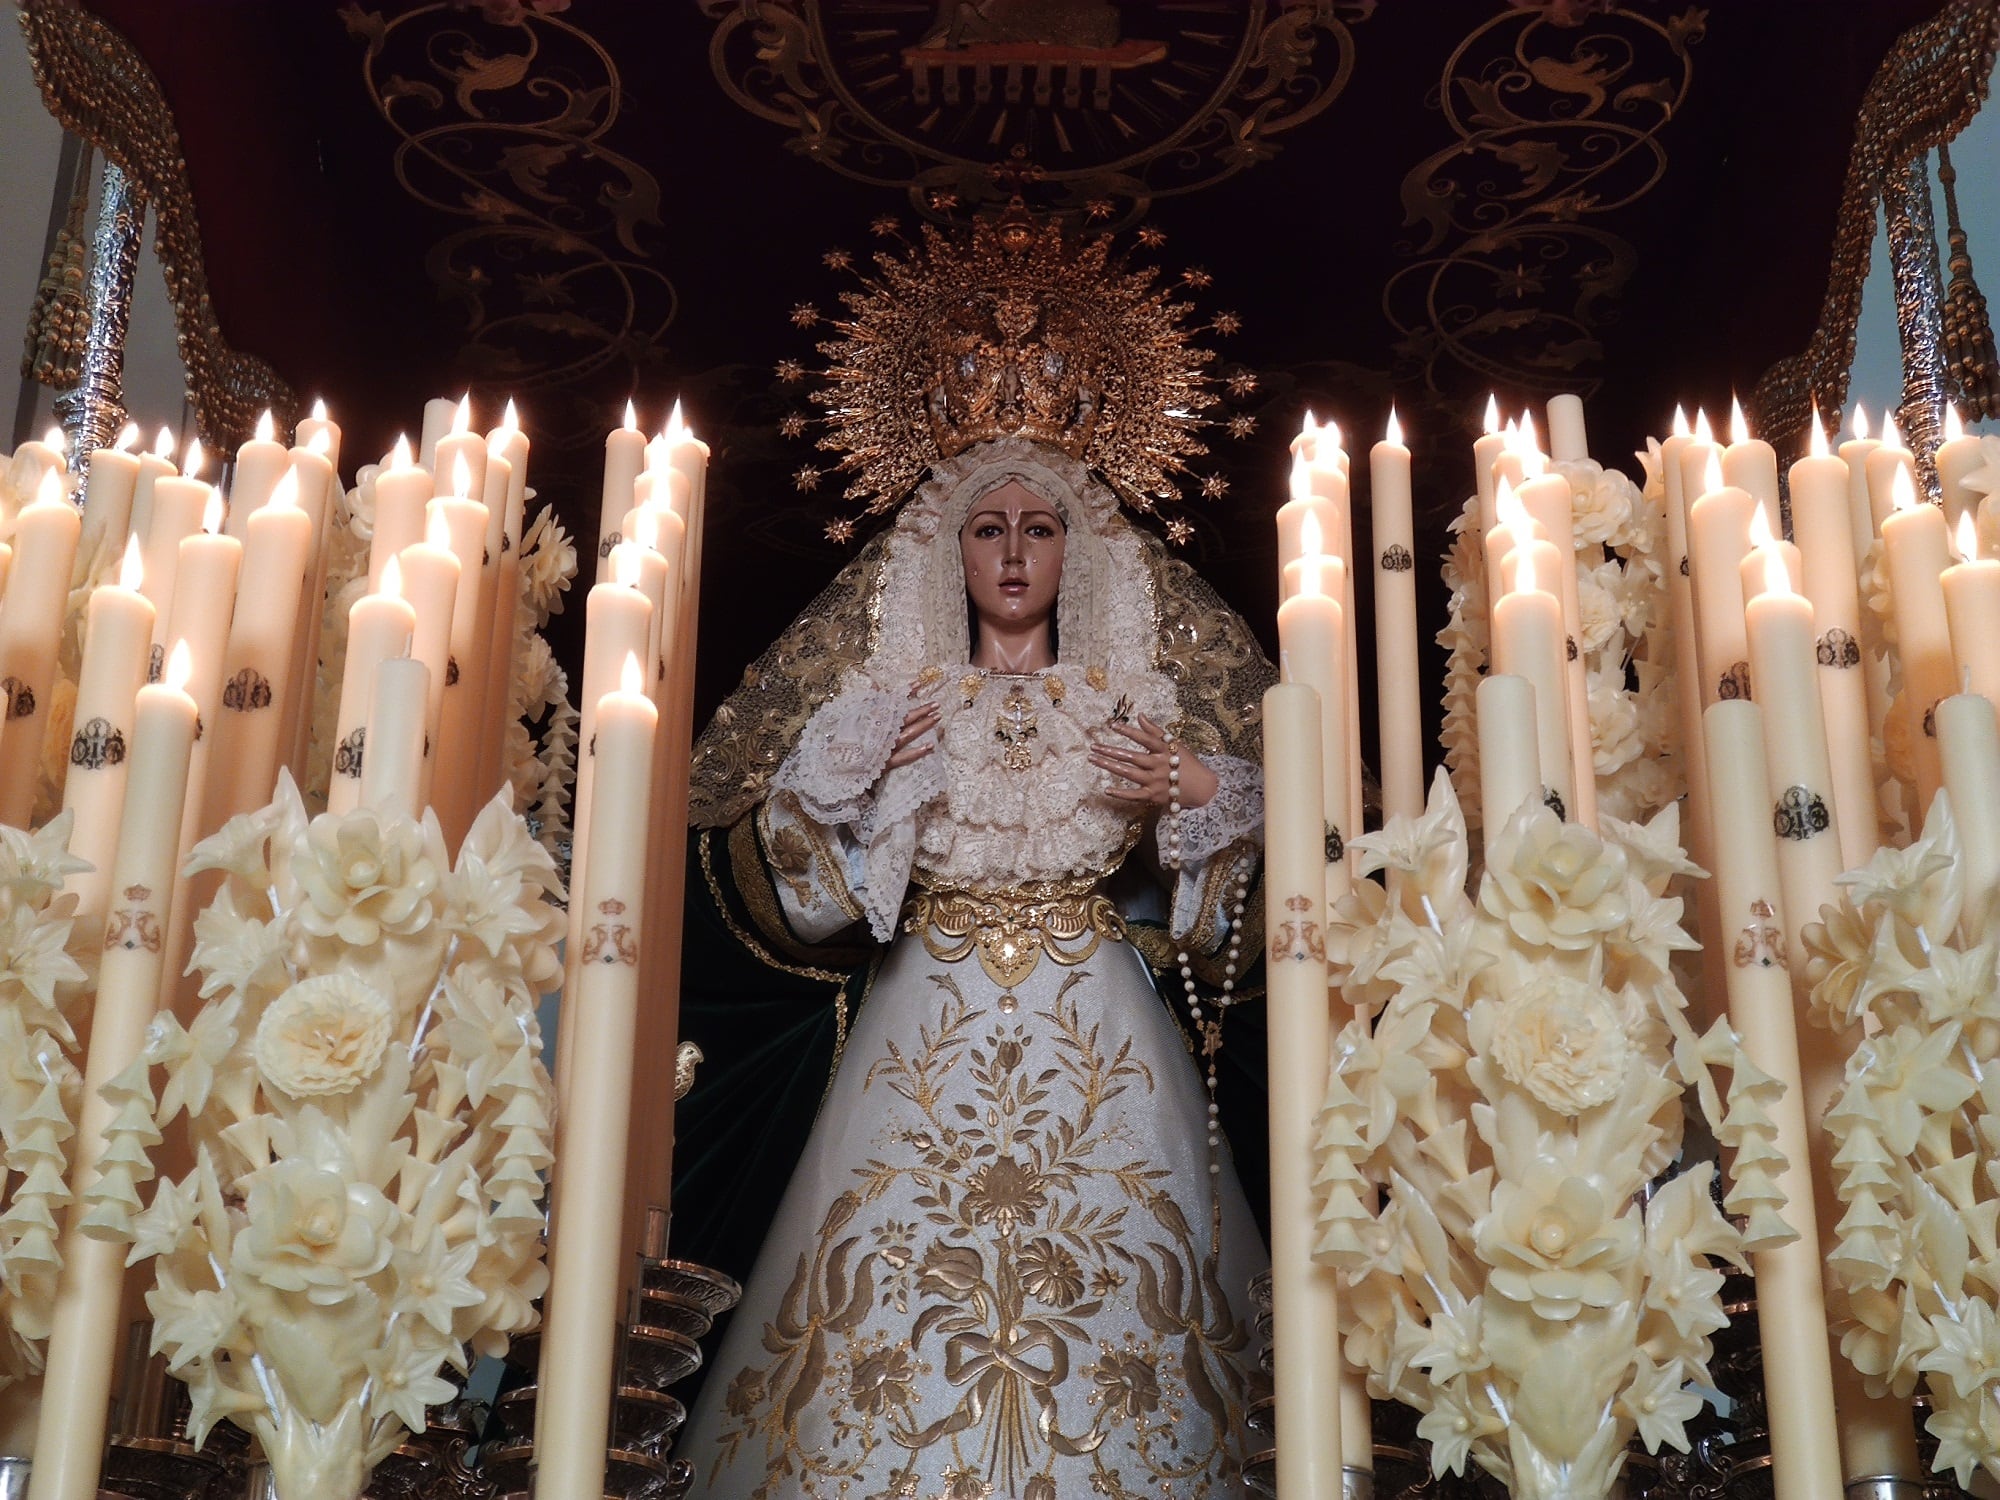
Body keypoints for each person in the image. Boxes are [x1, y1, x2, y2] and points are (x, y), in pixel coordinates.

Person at [676, 212, 1274, 1499]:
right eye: (987, 527)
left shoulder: (1135, 706)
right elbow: (817, 906)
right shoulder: (885, 712)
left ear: (1077, 550)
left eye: (1038, 527)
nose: (1011, 551)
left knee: (1130, 1294)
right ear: (949, 551)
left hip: (1099, 1018)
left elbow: (1237, 908)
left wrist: (1194, 791)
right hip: (921, 1014)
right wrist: (845, 791)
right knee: (886, 1304)